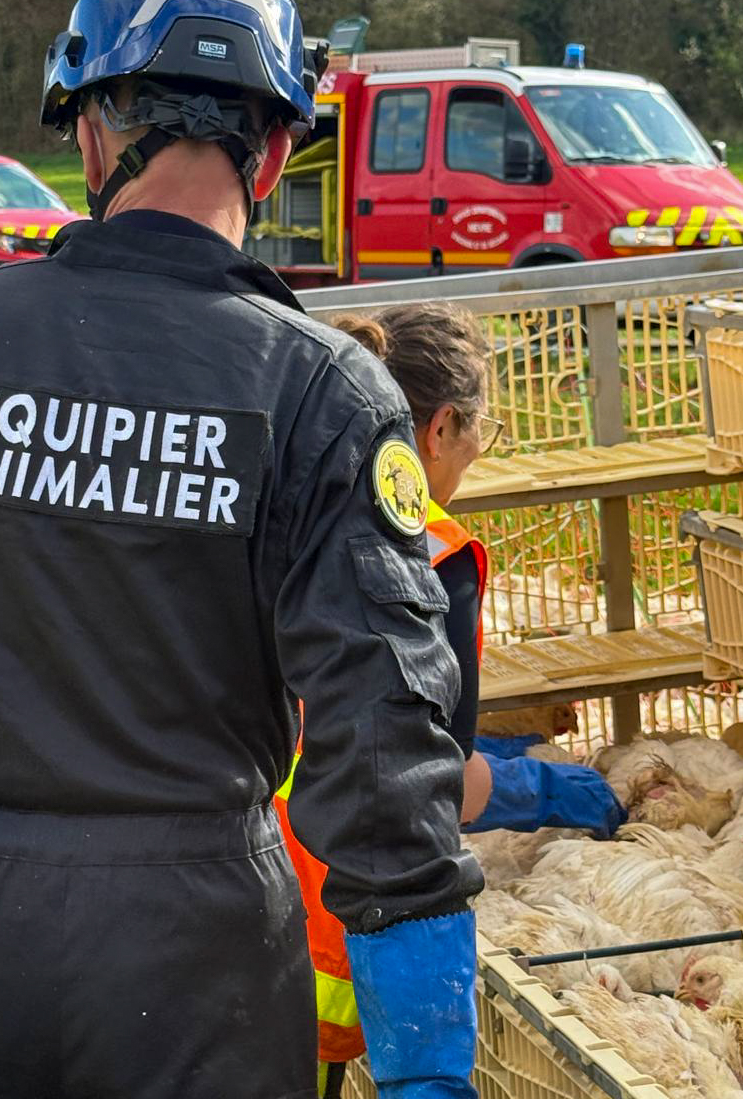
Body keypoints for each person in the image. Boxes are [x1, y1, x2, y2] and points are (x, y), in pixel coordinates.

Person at [0, 0, 481, 1099]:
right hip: (203, 967)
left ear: (87, 132)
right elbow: (384, 747)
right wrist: (428, 1069)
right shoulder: (322, 392)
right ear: (278, 152)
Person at [276, 305, 623, 1098]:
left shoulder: (285, 512)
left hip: (233, 879)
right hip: (348, 901)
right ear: (438, 429)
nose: (475, 454)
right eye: (480, 433)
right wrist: (559, 792)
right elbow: (437, 771)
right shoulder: (435, 553)